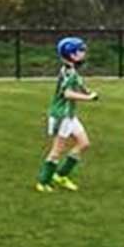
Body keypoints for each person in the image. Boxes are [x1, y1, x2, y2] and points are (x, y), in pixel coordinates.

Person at [36, 37, 101, 193]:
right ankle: (43, 182)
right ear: (71, 54)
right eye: (80, 51)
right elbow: (67, 93)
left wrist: (87, 91)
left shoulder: (72, 71)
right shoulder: (67, 72)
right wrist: (88, 98)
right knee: (57, 149)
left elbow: (78, 84)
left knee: (84, 143)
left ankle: (61, 175)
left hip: (70, 114)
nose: (84, 53)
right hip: (61, 115)